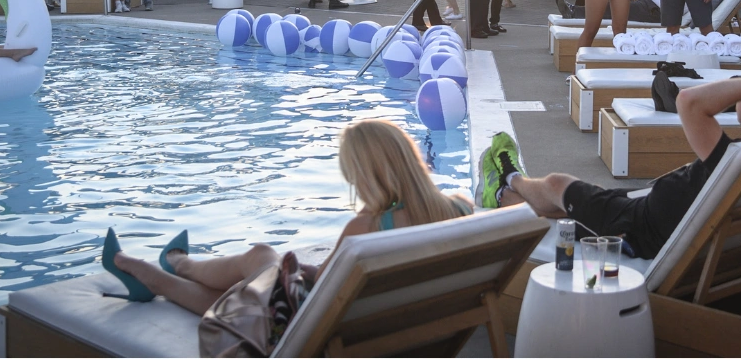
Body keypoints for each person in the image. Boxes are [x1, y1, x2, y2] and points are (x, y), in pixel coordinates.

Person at [103, 119, 473, 337]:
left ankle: (172, 269)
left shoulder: (367, 227)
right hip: (395, 324)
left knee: (260, 259)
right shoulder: (460, 207)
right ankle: (173, 270)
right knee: (263, 273)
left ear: (368, 175)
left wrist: (299, 270)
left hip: (322, 327)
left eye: (353, 175)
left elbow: (323, 289)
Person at [479, 66, 741, 257]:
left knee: (558, 185)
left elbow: (689, 102)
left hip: (640, 228)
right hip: (654, 206)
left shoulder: (735, 159)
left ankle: (508, 180)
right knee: (566, 209)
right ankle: (508, 192)